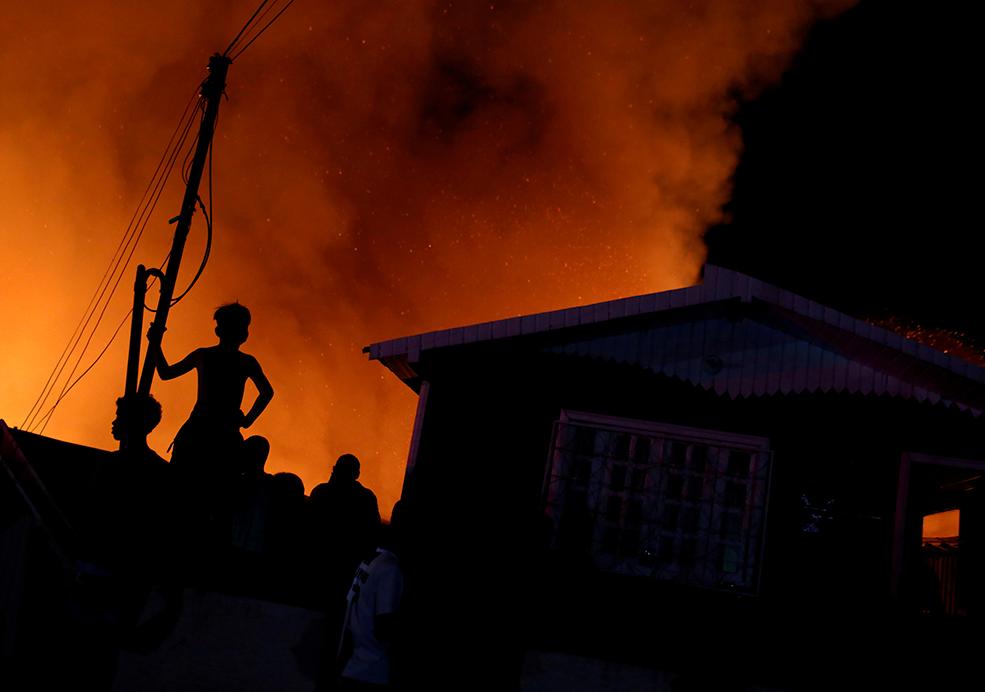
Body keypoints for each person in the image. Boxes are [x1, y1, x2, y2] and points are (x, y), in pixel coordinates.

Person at [149, 302, 273, 533]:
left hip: (198, 433)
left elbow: (165, 373)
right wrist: (247, 420)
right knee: (216, 502)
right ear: (244, 333)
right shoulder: (245, 362)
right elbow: (267, 392)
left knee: (184, 493)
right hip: (223, 437)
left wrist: (155, 344)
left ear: (218, 330)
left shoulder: (204, 356)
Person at [336, 501, 406, 691]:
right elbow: (384, 625)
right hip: (371, 672)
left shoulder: (373, 560)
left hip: (354, 667)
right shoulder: (390, 570)